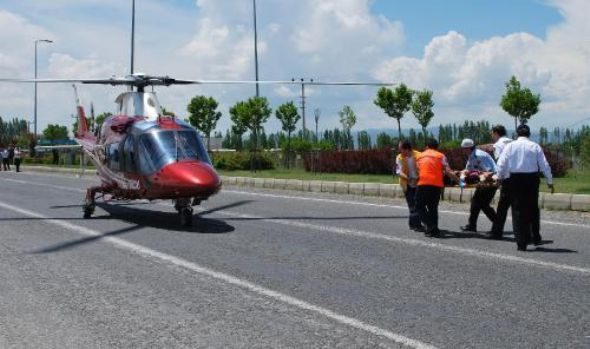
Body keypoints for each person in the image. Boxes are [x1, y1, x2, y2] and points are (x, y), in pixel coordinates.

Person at [497, 124, 554, 251]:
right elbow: (544, 165)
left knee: (517, 210)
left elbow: (501, 164)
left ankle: (521, 243)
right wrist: (550, 180)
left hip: (515, 179)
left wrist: (499, 178)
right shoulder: (535, 146)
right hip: (532, 179)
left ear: (517, 134)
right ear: (529, 134)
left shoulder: (510, 146)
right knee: (532, 208)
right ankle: (535, 237)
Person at [415, 138, 460, 237]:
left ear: (426, 146)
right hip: (436, 185)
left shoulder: (420, 156)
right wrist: (460, 182)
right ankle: (434, 230)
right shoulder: (441, 156)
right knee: (432, 207)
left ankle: (430, 226)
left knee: (419, 205)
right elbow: (448, 171)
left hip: (423, 183)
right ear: (437, 147)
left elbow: (418, 170)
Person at [459, 138, 498, 232]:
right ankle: (472, 225)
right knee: (476, 203)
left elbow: (489, 172)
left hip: (490, 182)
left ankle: (497, 224)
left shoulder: (479, 155)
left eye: (463, 149)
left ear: (468, 148)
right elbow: (468, 169)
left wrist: (479, 178)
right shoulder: (471, 156)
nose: (462, 151)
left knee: (482, 204)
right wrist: (461, 176)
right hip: (483, 183)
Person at [489, 125, 515, 240]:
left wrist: (498, 179)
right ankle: (525, 233)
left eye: (492, 133)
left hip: (507, 178)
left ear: (496, 133)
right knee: (518, 208)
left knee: (502, 208)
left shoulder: (498, 145)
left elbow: (500, 163)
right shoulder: (513, 141)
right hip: (518, 176)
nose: (491, 135)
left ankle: (496, 233)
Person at [396, 140, 422, 230]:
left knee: (417, 204)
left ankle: (412, 223)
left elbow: (423, 169)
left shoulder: (419, 155)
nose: (400, 151)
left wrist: (418, 178)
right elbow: (399, 171)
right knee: (412, 205)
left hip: (418, 183)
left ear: (407, 149)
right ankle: (418, 225)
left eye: (401, 149)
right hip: (406, 184)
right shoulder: (399, 157)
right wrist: (408, 178)